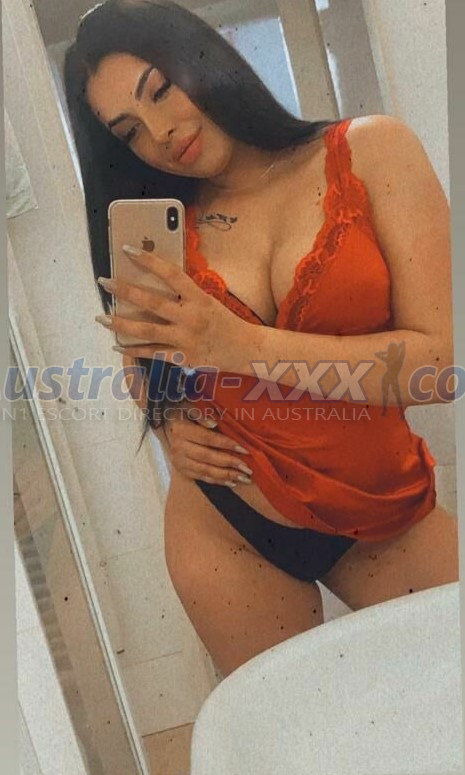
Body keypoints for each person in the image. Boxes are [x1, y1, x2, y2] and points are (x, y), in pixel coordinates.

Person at [64, 0, 458, 678]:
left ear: (201, 54)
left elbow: (439, 365)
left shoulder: (372, 150)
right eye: (129, 131)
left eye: (160, 89)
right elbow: (142, 355)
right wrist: (168, 423)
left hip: (381, 513)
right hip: (226, 527)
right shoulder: (167, 223)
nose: (160, 132)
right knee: (289, 727)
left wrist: (238, 345)